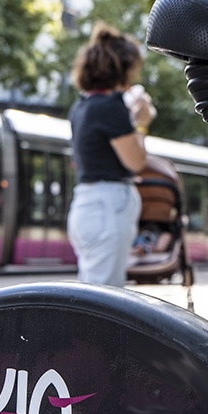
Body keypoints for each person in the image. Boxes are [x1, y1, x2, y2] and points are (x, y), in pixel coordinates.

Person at [66, 23, 153, 285]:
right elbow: (136, 162)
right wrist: (141, 123)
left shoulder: (82, 106)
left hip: (86, 204)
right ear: (122, 69)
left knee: (92, 297)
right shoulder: (110, 107)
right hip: (108, 208)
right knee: (105, 304)